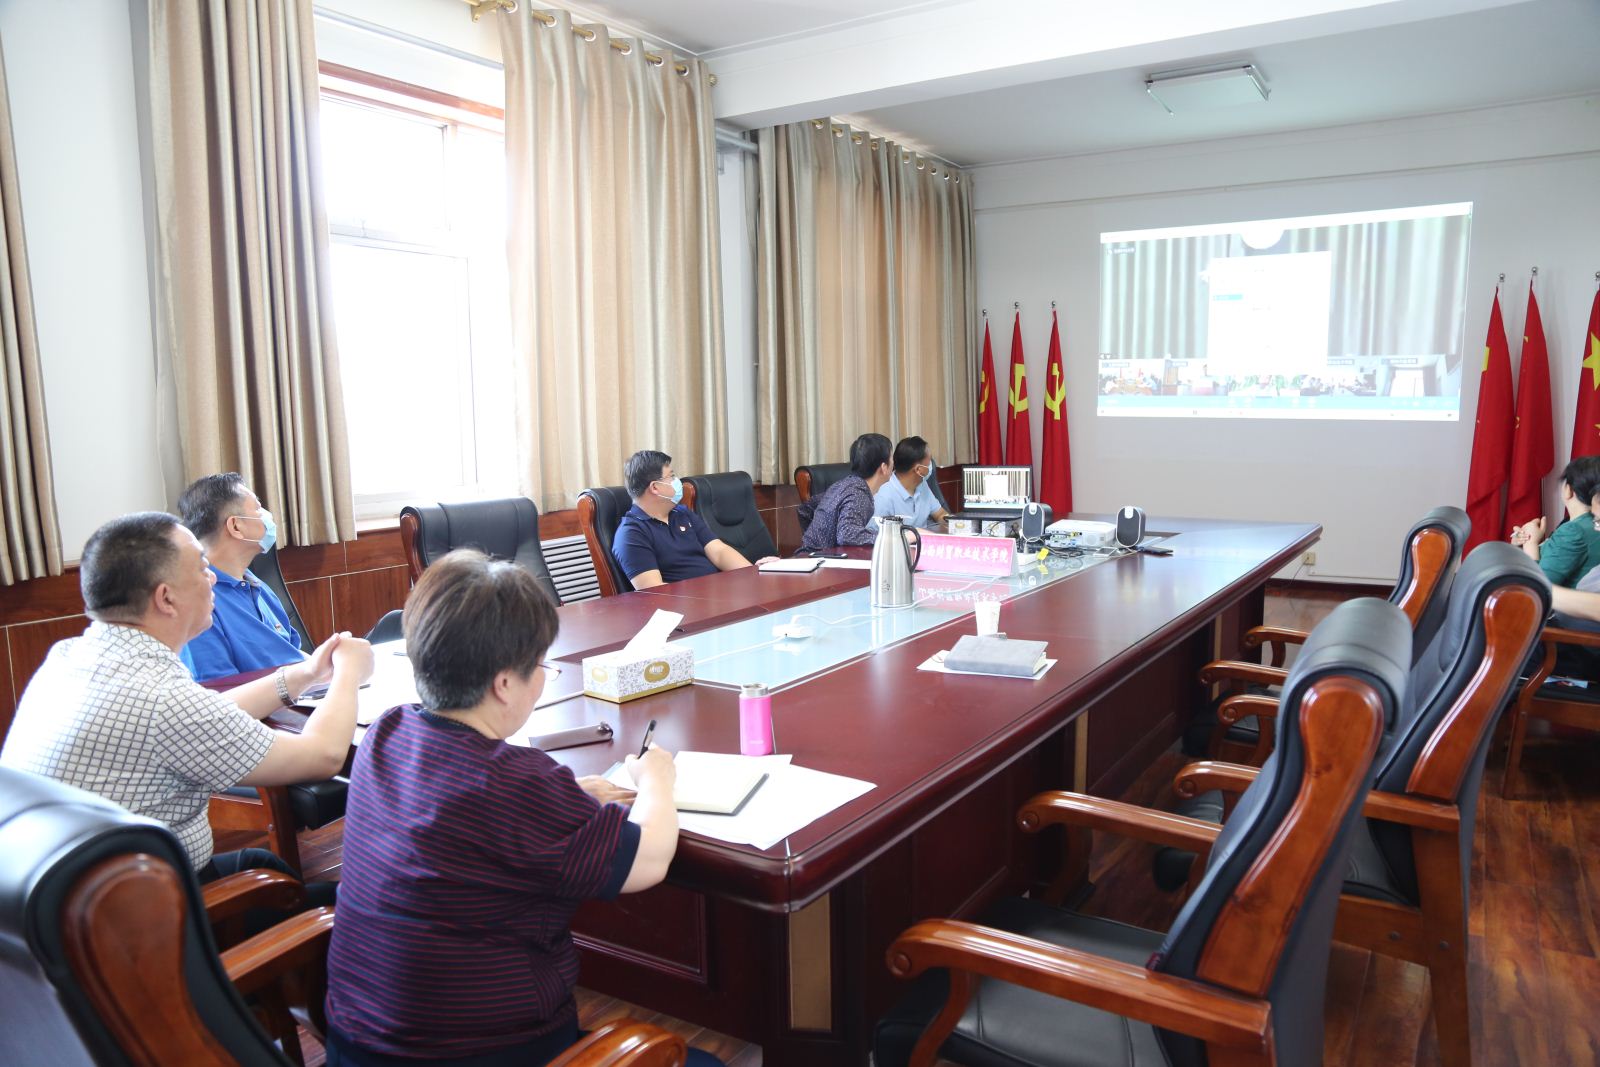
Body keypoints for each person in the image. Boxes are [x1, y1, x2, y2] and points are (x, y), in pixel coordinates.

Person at [323, 550, 722, 1067]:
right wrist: (657, 782)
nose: (542, 677)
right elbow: (647, 860)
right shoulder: (515, 782)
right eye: (539, 665)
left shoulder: (388, 732)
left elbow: (469, 815)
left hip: (357, 1044)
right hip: (481, 1054)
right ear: (504, 684)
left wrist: (568, 798)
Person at [0, 512, 373, 885]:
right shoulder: (162, 699)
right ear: (166, 598)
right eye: (202, 568)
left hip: (57, 894)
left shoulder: (69, 656)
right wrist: (348, 672)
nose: (213, 579)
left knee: (265, 864)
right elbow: (323, 756)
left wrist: (305, 674)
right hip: (150, 907)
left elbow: (206, 713)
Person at [176, 472, 304, 682]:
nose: (266, 516)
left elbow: (294, 655)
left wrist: (329, 664)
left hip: (304, 692)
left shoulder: (257, 585)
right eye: (257, 508)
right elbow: (219, 690)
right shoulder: (197, 602)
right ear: (235, 526)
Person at [613, 450, 772, 588]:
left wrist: (751, 574)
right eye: (671, 476)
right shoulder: (631, 534)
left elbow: (719, 552)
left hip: (717, 593)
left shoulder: (682, 513)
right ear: (655, 487)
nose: (677, 481)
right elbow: (654, 591)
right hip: (687, 605)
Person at [799, 432, 900, 552]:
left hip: (808, 556)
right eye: (891, 458)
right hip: (819, 560)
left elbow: (805, 509)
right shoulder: (859, 493)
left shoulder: (844, 484)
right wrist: (893, 538)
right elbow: (847, 534)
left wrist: (813, 541)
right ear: (884, 467)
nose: (894, 463)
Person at [1509, 455, 1600, 586]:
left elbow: (1538, 586)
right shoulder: (1583, 525)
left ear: (1569, 490)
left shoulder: (1574, 531)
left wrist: (1530, 542)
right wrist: (1521, 544)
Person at [874, 435, 949, 531]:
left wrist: (954, 523)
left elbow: (940, 514)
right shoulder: (883, 496)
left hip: (924, 539)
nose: (932, 464)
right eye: (929, 461)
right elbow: (876, 536)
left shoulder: (922, 485)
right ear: (919, 470)